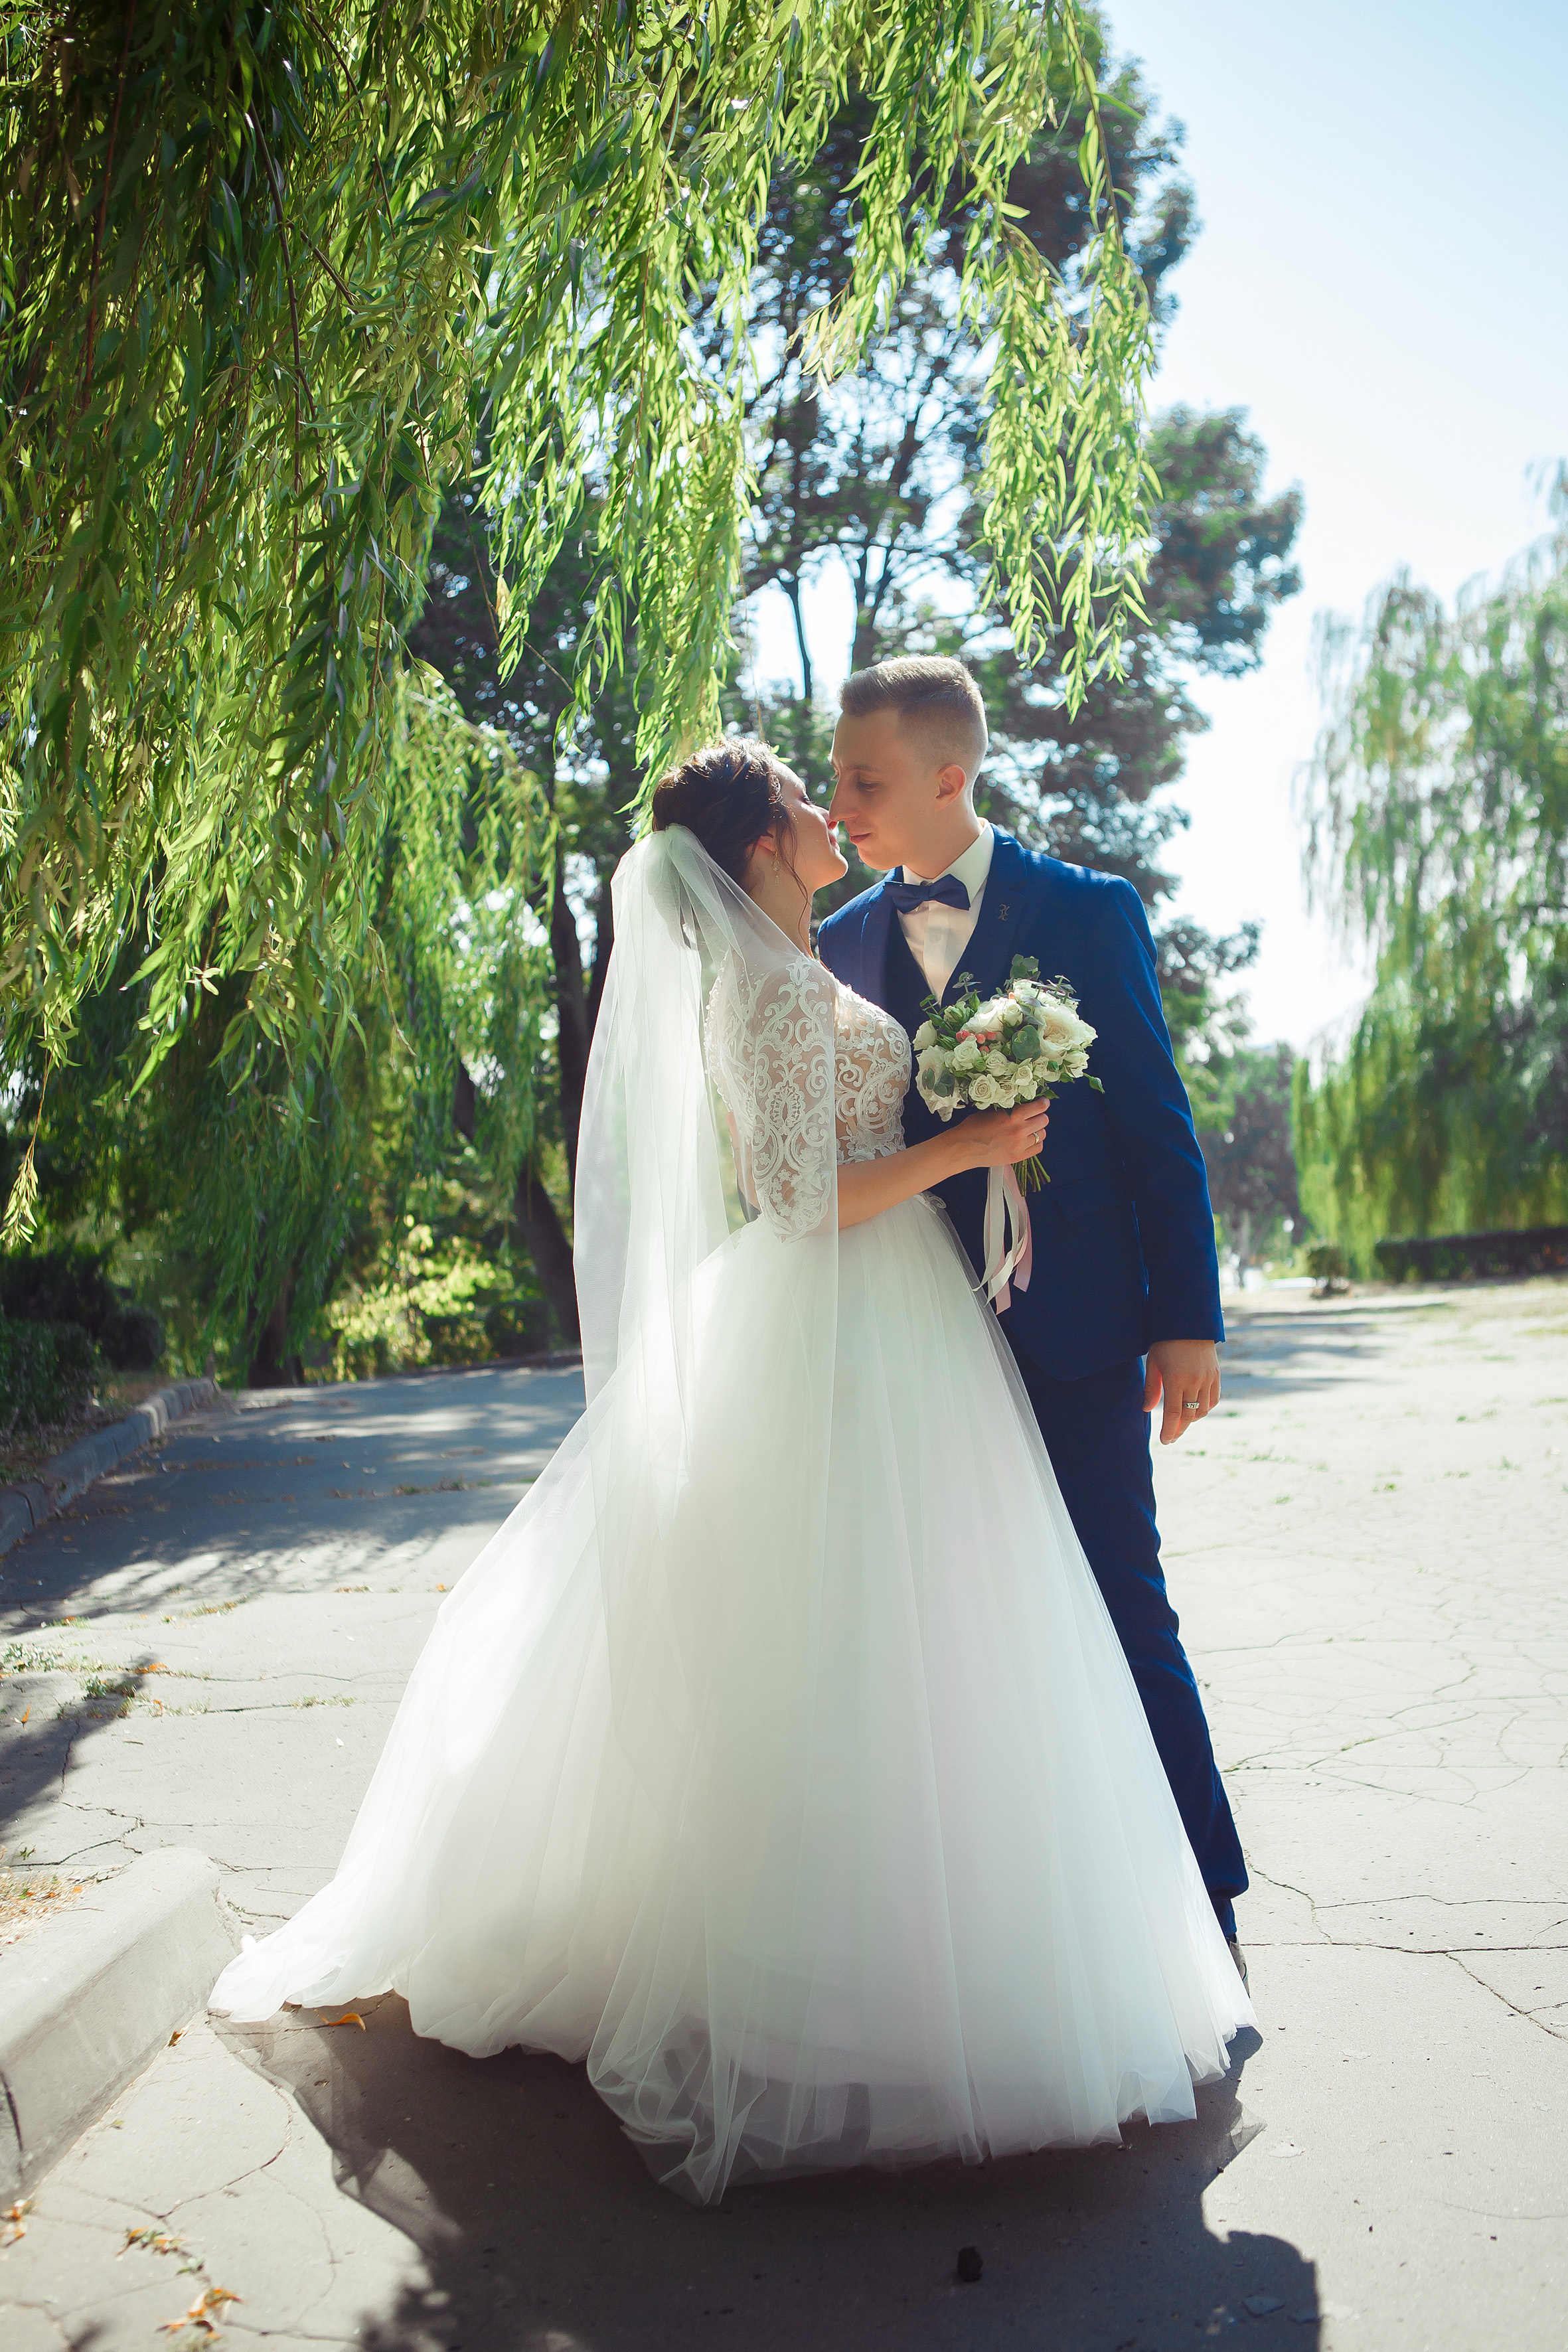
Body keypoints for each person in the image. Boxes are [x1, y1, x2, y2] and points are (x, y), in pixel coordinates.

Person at [210, 738, 1251, 2205]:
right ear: (763, 842)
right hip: (829, 1324)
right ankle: (819, 1990)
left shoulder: (806, 963)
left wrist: (971, 1144)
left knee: (914, 1647)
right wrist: (964, 1148)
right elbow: (793, 1196)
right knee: (826, 1647)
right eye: (807, 801)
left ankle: (921, 1944)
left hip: (900, 1325)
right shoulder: (757, 991)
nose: (834, 816)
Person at [816, 655, 1249, 1972]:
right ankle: (1004, 1930)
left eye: (865, 780)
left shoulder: (1085, 906)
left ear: (951, 774)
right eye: (835, 779)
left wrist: (1185, 1320)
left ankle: (1202, 1891)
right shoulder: (832, 947)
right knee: (946, 1635)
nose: (840, 805)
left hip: (1072, 1329)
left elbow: (1155, 1126)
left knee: (1123, 1598)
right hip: (911, 1349)